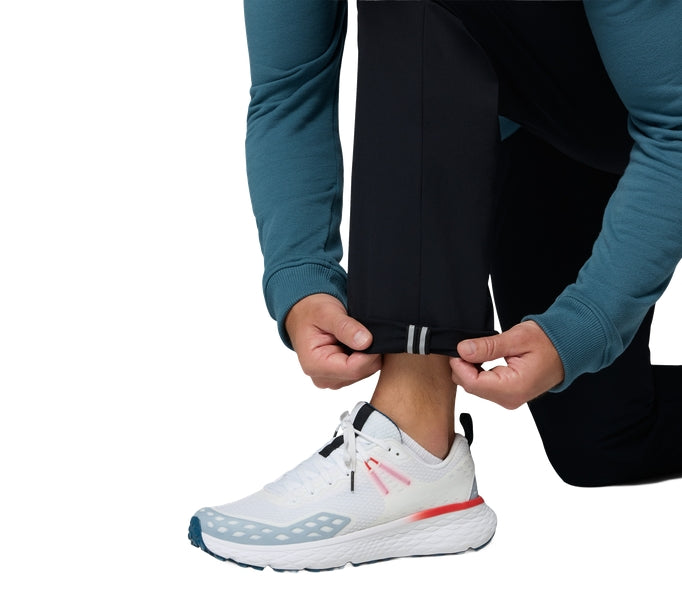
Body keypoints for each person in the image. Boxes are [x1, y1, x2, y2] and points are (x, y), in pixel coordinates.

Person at [189, 1, 682, 571]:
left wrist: (587, 322)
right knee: (603, 440)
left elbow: (675, 127)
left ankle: (413, 446)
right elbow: (288, 90)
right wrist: (300, 278)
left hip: (663, 107)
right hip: (563, 115)